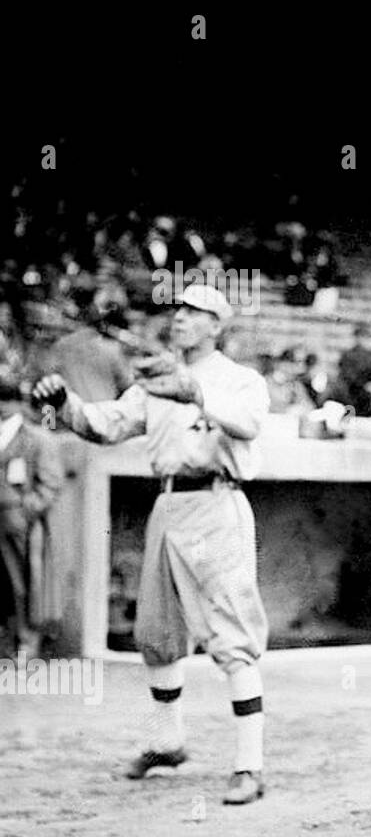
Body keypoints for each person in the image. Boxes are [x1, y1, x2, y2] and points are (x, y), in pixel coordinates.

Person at [32, 284, 272, 806]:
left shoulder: (239, 379)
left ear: (216, 325)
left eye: (194, 312)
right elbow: (107, 425)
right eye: (178, 310)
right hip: (168, 502)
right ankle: (167, 742)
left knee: (232, 633)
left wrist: (198, 393)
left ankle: (250, 764)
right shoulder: (155, 380)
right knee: (156, 631)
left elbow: (252, 425)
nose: (181, 318)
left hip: (216, 500)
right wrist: (64, 404)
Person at [0, 372, 63, 660]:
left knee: (22, 584)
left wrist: (27, 510)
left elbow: (50, 483)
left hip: (16, 518)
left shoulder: (36, 436)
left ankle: (26, 641)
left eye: (7, 400)